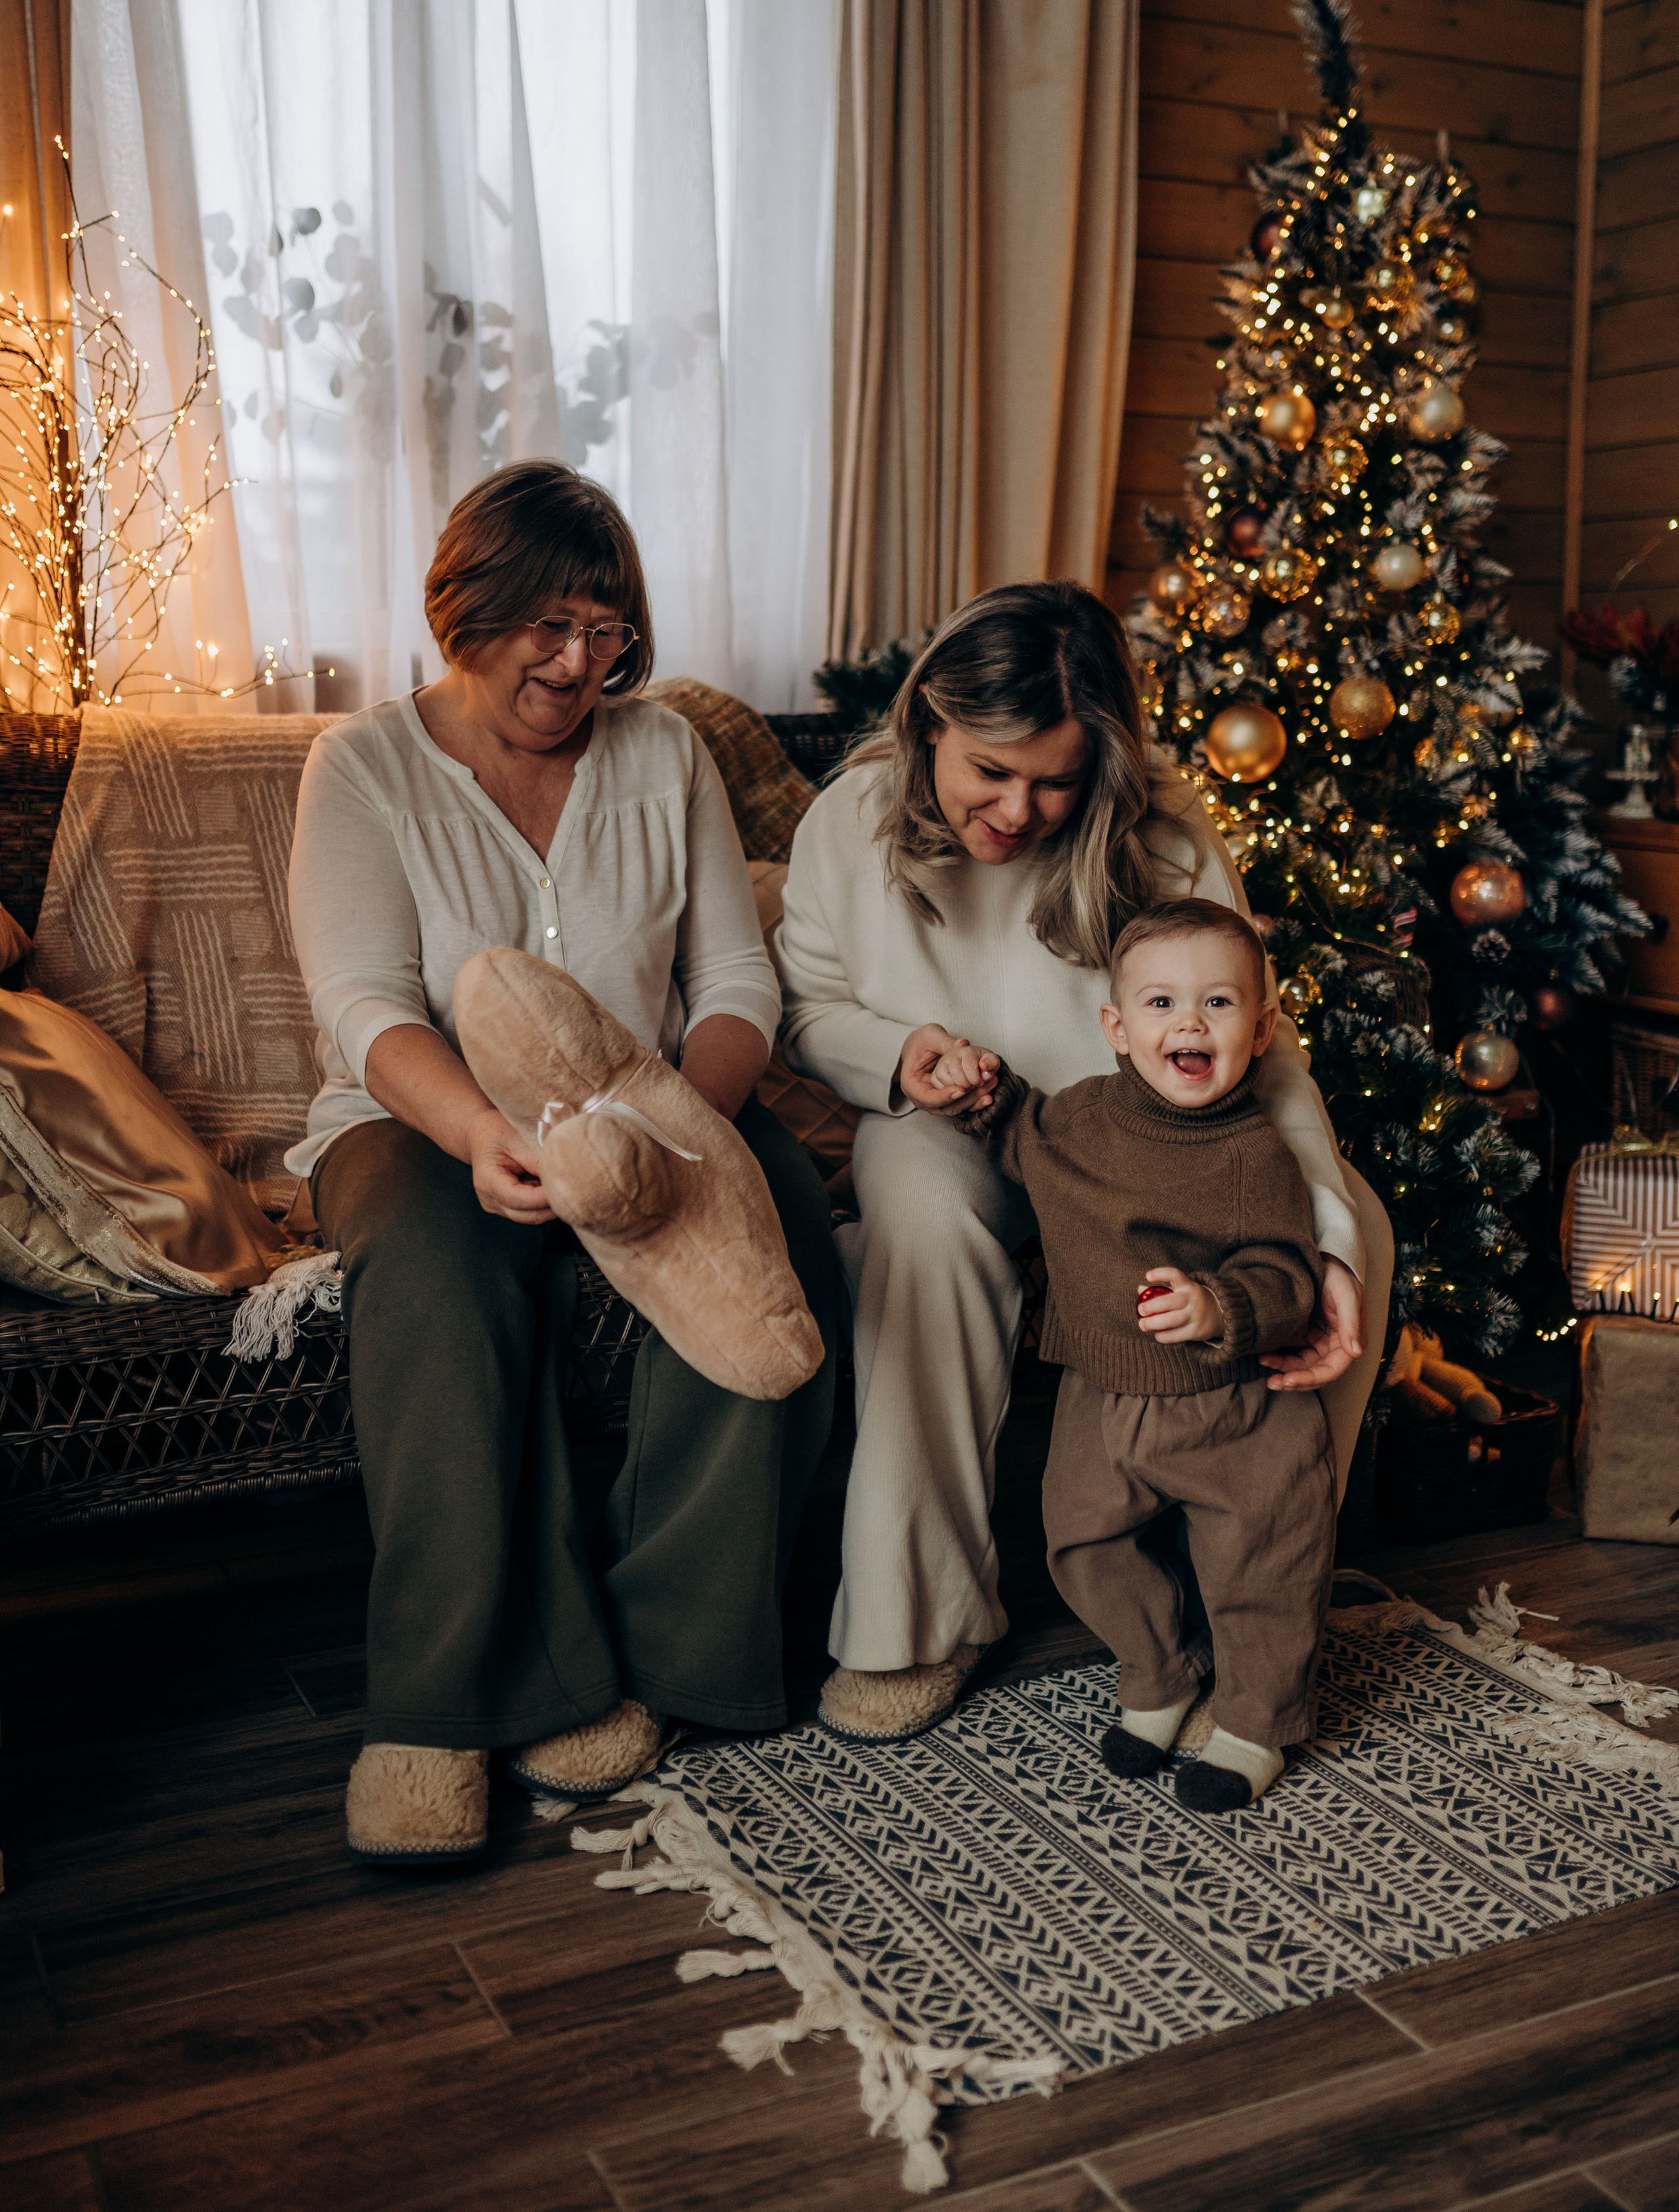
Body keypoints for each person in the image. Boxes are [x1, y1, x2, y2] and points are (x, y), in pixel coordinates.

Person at [287, 459, 836, 1864]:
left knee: (778, 1214)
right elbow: (363, 1007)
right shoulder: (361, 766)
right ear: (467, 607)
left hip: (652, 1108)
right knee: (439, 1266)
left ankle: (669, 1654)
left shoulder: (666, 753)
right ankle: (450, 1702)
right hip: (418, 1122)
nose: (577, 661)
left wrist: (673, 1131)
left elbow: (734, 982)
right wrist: (480, 1135)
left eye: (604, 630)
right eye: (547, 624)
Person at [772, 580, 1392, 1746]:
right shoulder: (846, 822)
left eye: (1056, 780)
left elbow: (1263, 1050)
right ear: (930, 724)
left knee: (1352, 1221)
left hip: (1163, 1145)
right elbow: (805, 1011)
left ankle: (1255, 1592)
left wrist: (1331, 1241)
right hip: (958, 1129)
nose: (1018, 810)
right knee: (917, 1211)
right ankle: (919, 1618)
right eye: (990, 771)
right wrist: (898, 1057)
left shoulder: (1163, 829)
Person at [923, 896, 1329, 1811]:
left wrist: (1219, 1302)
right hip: (1101, 1393)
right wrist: (982, 1090)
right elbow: (1023, 1137)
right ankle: (1161, 1669)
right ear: (1117, 1028)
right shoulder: (1082, 1119)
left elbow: (1287, 1273)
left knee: (1261, 1564)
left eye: (1218, 1004)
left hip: (1233, 1408)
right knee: (1082, 1540)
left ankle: (1256, 1721)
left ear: (1261, 1029)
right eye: (1161, 1004)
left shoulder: (1252, 1155)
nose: (1190, 1023)